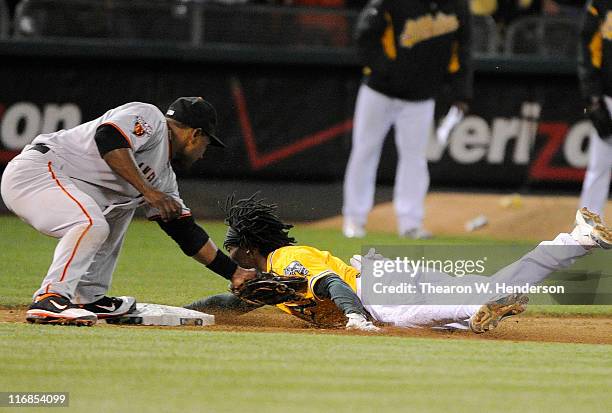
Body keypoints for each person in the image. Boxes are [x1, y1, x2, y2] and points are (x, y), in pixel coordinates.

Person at [187, 194, 611, 333]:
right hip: (388, 278)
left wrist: (355, 319)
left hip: (376, 290)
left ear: (248, 247)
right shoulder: (271, 281)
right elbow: (230, 302)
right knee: (479, 296)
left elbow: (333, 283)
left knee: (401, 316)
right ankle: (575, 241)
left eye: (231, 246)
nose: (228, 254)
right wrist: (183, 314)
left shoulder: (286, 260)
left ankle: (480, 307)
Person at [0, 97, 256, 326]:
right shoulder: (151, 118)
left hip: (61, 182)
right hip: (36, 172)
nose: (203, 154)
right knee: (92, 223)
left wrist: (235, 273)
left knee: (118, 209)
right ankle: (50, 297)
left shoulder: (164, 179)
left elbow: (186, 233)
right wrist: (148, 191)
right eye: (206, 145)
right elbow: (108, 138)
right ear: (195, 134)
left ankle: (89, 298)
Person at [342, 0, 473, 238]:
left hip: (421, 96)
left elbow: (463, 48)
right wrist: (385, 70)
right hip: (379, 92)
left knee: (415, 158)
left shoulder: (458, 5)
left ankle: (410, 222)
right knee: (365, 151)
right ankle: (354, 219)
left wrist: (461, 92)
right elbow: (365, 34)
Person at [578, 0, 612, 219]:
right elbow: (588, 48)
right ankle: (587, 228)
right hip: (610, 96)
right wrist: (593, 97)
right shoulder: (601, 3)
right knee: (599, 167)